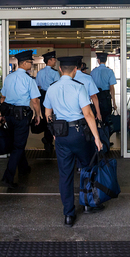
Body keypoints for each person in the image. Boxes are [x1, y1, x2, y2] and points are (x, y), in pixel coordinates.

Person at [43, 56, 103, 227]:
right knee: (87, 168)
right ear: (76, 70)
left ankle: (68, 214)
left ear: (60, 69)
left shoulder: (52, 88)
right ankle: (88, 204)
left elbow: (48, 114)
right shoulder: (79, 87)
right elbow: (88, 114)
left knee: (65, 174)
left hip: (61, 136)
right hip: (79, 134)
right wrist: (97, 138)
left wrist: (54, 132)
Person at [0, 50, 42, 189]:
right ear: (23, 63)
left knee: (17, 143)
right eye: (30, 62)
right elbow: (35, 100)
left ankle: (23, 168)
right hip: (22, 116)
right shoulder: (28, 79)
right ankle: (8, 177)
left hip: (9, 115)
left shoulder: (8, 78)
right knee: (18, 146)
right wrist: (37, 115)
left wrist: (1, 115)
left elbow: (2, 98)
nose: (31, 64)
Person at [35, 51, 59, 151]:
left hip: (42, 95)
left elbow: (37, 85)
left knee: (45, 117)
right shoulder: (55, 73)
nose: (55, 61)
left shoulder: (39, 72)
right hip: (51, 96)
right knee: (51, 118)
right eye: (54, 60)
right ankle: (48, 140)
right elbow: (58, 87)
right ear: (49, 61)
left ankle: (47, 140)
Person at [90, 52, 117, 130]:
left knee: (96, 119)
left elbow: (90, 86)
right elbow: (111, 87)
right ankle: (106, 138)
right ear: (106, 60)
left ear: (98, 60)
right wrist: (114, 102)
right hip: (106, 97)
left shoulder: (93, 71)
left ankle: (98, 137)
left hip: (96, 97)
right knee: (107, 118)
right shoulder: (110, 71)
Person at [73, 56, 102, 121]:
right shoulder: (88, 78)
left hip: (71, 108)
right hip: (86, 108)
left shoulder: (69, 78)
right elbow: (93, 96)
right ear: (82, 65)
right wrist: (98, 112)